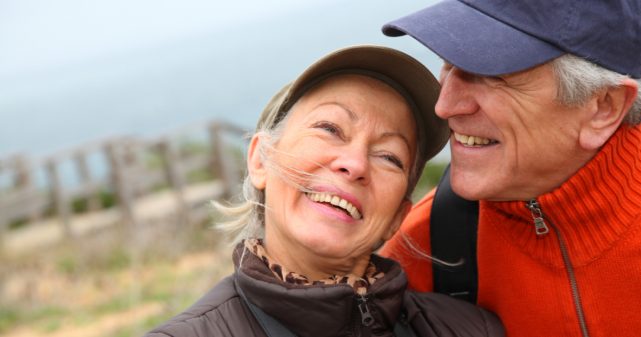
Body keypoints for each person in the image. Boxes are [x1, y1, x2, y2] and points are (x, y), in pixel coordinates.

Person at [144, 45, 504, 337]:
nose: (355, 164)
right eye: (330, 128)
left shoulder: (469, 329)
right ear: (259, 161)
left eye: (389, 157)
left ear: (397, 216)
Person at [378, 1, 641, 337]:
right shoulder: (423, 248)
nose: (444, 106)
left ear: (603, 107)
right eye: (448, 64)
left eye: (492, 75)